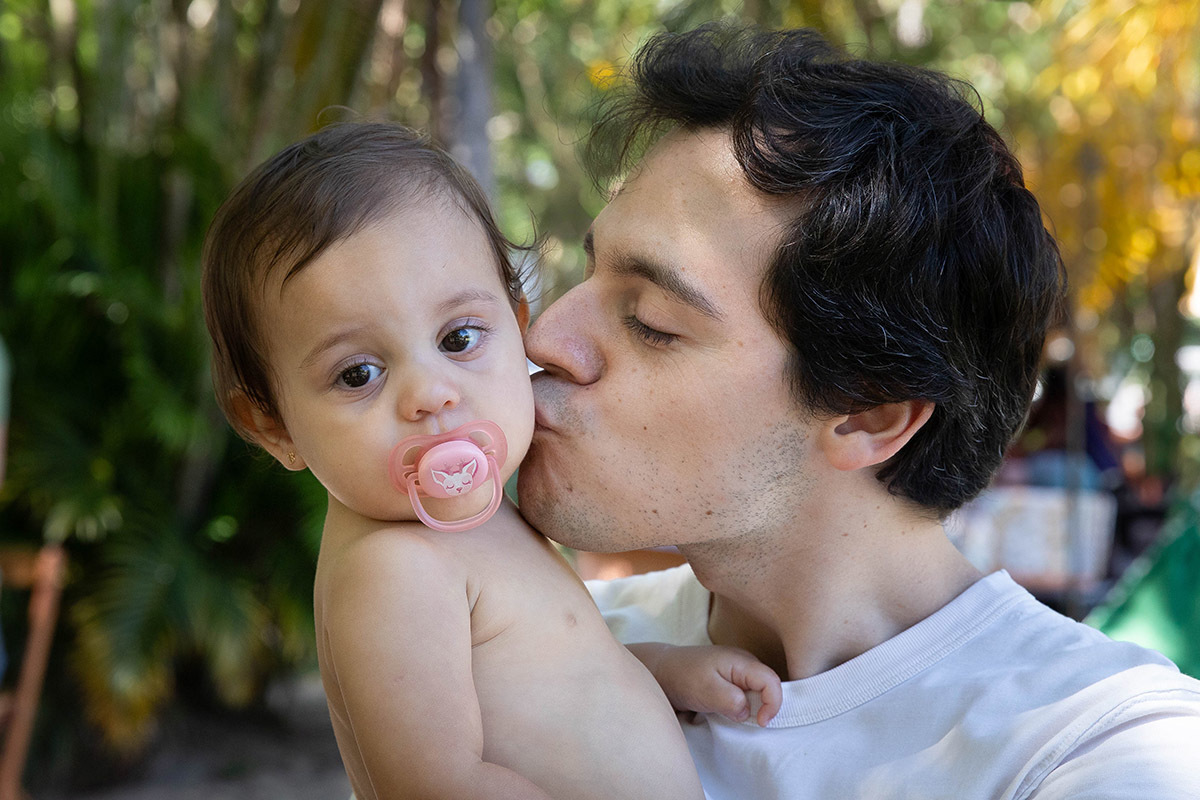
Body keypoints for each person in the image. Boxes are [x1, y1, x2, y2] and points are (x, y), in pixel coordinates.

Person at [516, 23, 1200, 798]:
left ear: (869, 416)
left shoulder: (1096, 751)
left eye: (650, 321)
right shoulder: (546, 650)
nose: (546, 336)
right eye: (588, 269)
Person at [200, 121, 780, 800]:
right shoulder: (395, 571)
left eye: (460, 337)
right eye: (358, 374)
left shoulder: (479, 528)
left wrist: (660, 673)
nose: (430, 394)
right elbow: (438, 784)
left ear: (517, 322)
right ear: (272, 426)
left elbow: (548, 685)